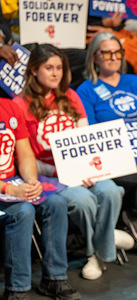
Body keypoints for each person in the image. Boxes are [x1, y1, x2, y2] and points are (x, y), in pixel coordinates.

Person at [12, 44, 132, 281]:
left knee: (111, 191)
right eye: (49, 68)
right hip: (48, 174)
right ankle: (97, 251)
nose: (56, 73)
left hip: (79, 169)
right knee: (83, 200)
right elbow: (25, 156)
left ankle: (102, 242)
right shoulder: (19, 104)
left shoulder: (70, 95)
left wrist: (84, 168)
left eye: (59, 68)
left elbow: (84, 138)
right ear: (35, 70)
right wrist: (65, 171)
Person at [76, 32, 137, 246]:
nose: (113, 57)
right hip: (114, 156)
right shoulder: (86, 90)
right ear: (94, 57)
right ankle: (136, 215)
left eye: (117, 52)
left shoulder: (134, 81)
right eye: (106, 53)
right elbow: (92, 135)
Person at [0, 99, 80, 300]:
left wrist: (32, 181)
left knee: (56, 203)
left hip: (12, 183)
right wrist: (8, 188)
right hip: (5, 188)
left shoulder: (8, 106)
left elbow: (24, 152)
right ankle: (16, 289)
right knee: (23, 211)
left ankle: (54, 279)